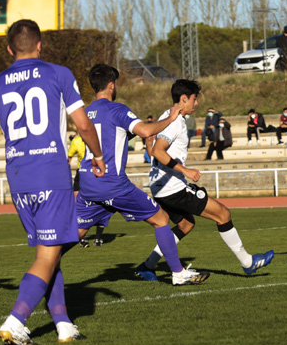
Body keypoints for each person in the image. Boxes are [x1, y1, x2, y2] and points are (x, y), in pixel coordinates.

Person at [0, 19, 103, 345]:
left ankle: (63, 325)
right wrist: (98, 155)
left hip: (18, 178)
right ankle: (15, 321)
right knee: (48, 255)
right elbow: (83, 124)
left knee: (50, 251)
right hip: (50, 174)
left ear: (9, 49)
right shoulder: (58, 74)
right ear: (40, 45)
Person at [73, 66, 217, 289]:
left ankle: (45, 269)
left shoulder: (86, 112)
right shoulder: (117, 109)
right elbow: (146, 131)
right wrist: (170, 118)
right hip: (112, 184)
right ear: (111, 85)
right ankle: (178, 274)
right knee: (161, 219)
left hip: (88, 183)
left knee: (76, 233)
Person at [135, 79, 273, 280]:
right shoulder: (175, 121)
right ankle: (248, 262)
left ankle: (148, 265)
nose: (196, 103)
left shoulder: (166, 116)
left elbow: (152, 149)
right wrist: (185, 170)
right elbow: (158, 151)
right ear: (184, 99)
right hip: (173, 188)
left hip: (160, 188)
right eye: (194, 99)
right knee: (223, 214)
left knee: (185, 224)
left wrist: (152, 147)